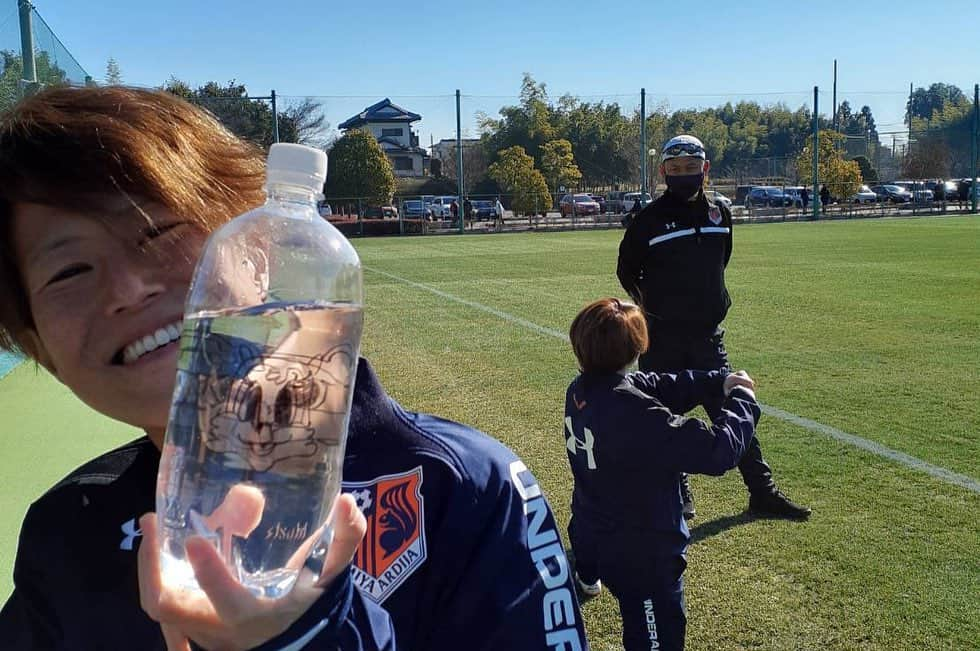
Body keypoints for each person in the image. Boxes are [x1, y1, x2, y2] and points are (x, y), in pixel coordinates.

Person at [0, 86, 588, 650]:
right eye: (69, 271)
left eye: (159, 232)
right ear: (37, 344)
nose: (126, 288)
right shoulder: (66, 531)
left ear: (256, 248)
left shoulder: (463, 485)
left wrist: (307, 637)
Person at [616, 134, 810, 521]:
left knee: (734, 408)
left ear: (705, 169)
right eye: (675, 169)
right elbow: (626, 270)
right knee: (660, 419)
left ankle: (762, 492)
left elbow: (721, 260)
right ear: (663, 173)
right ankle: (678, 491)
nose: (684, 175)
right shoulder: (648, 220)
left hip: (707, 337)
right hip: (662, 340)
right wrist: (655, 308)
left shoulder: (721, 212)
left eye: (691, 168)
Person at [563, 298, 760, 651]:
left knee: (597, 566)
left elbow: (654, 383)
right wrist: (743, 400)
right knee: (655, 639)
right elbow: (719, 451)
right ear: (637, 345)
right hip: (641, 556)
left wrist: (716, 381)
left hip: (591, 527)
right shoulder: (636, 414)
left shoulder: (581, 389)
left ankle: (587, 578)